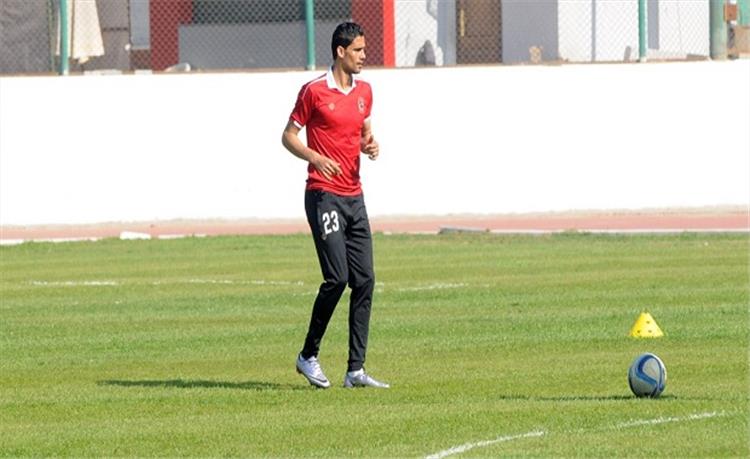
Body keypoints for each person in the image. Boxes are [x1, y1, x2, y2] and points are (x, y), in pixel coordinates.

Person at [281, 22, 389, 389]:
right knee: (337, 277)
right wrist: (315, 157)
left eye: (364, 49)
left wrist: (369, 146)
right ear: (340, 52)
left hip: (354, 196)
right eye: (358, 50)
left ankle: (355, 369)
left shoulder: (365, 92)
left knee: (365, 280)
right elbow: (288, 136)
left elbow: (362, 134)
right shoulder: (313, 91)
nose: (364, 56)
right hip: (323, 194)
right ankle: (307, 355)